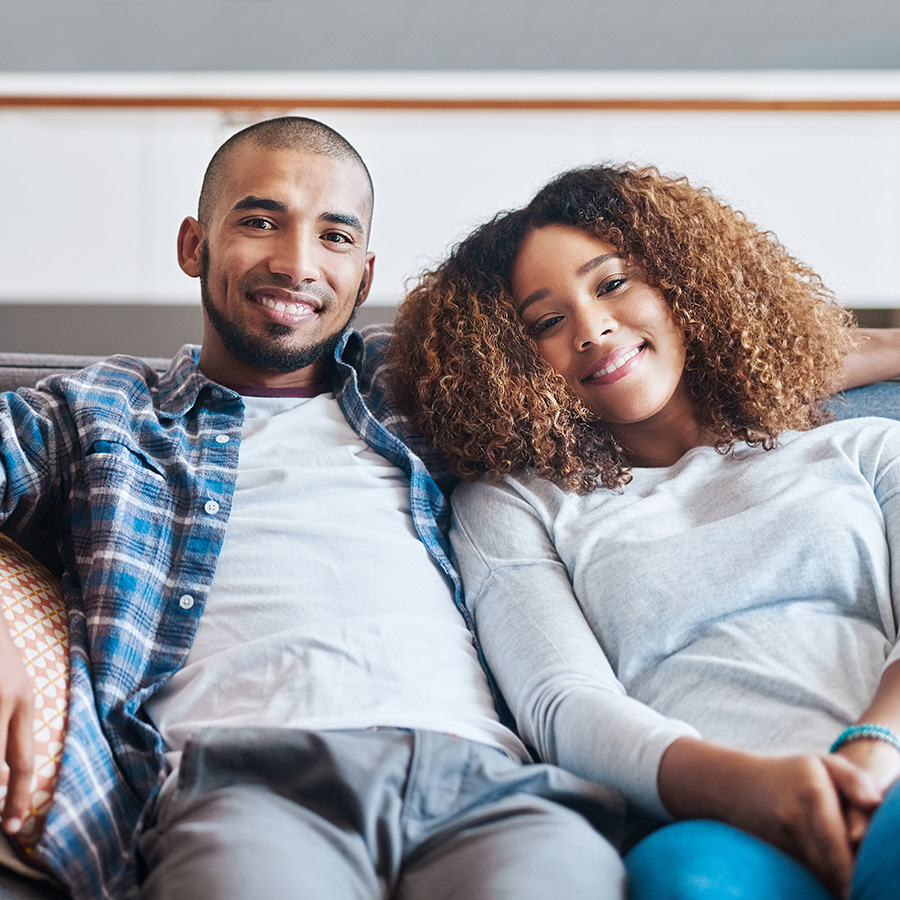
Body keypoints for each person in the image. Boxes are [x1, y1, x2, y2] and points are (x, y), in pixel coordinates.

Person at [0, 117, 629, 900]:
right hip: (251, 785)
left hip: (487, 787)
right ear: (195, 245)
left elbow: (651, 363)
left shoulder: (421, 383)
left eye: (334, 237)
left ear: (363, 278)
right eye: (261, 221)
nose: (298, 264)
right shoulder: (102, 411)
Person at [388, 163, 900, 900]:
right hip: (713, 823)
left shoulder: (865, 448)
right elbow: (564, 704)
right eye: (546, 322)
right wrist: (752, 789)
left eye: (612, 284)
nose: (592, 329)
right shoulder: (511, 506)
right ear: (508, 362)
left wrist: (870, 755)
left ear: (685, 283)